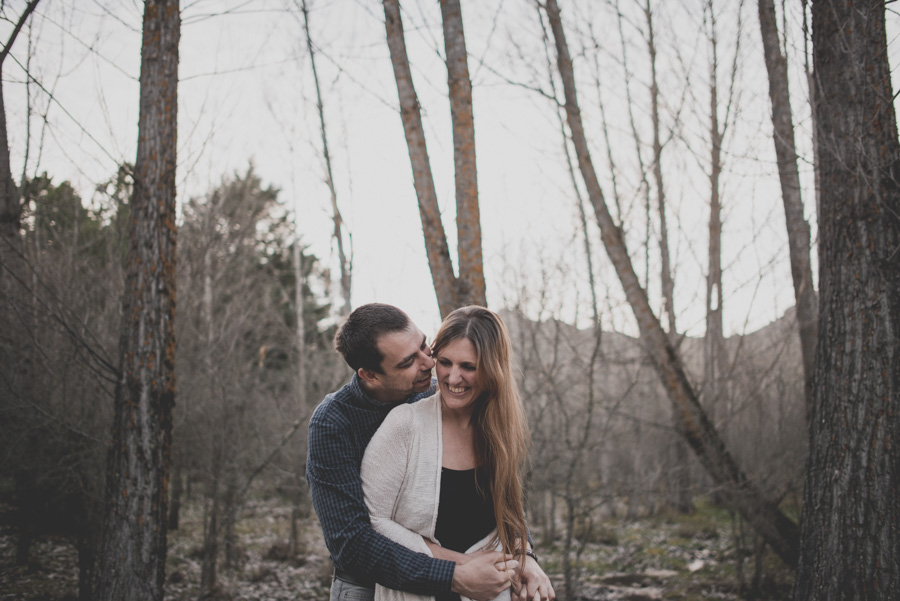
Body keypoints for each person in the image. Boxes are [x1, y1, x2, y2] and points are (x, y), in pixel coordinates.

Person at [307, 304, 550, 601]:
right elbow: (352, 543)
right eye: (408, 361)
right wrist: (457, 571)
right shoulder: (333, 423)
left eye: (424, 346)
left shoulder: (441, 394)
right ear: (370, 374)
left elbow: (505, 498)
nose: (428, 363)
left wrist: (525, 556)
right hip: (365, 585)